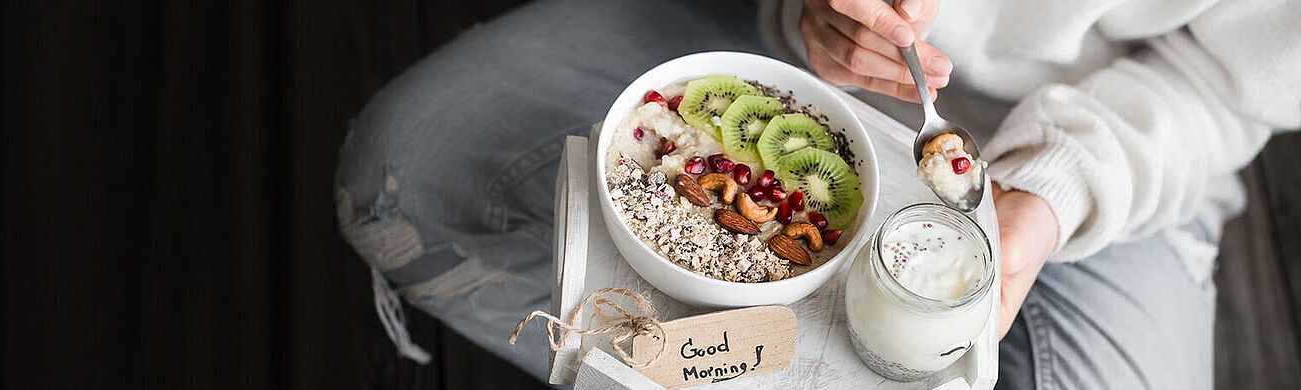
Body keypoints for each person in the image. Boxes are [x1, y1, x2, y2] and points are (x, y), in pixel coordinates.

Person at [336, 0, 1300, 388]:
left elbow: (1223, 79)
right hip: (776, 55)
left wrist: (1052, 193)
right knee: (404, 184)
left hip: (1122, 143)